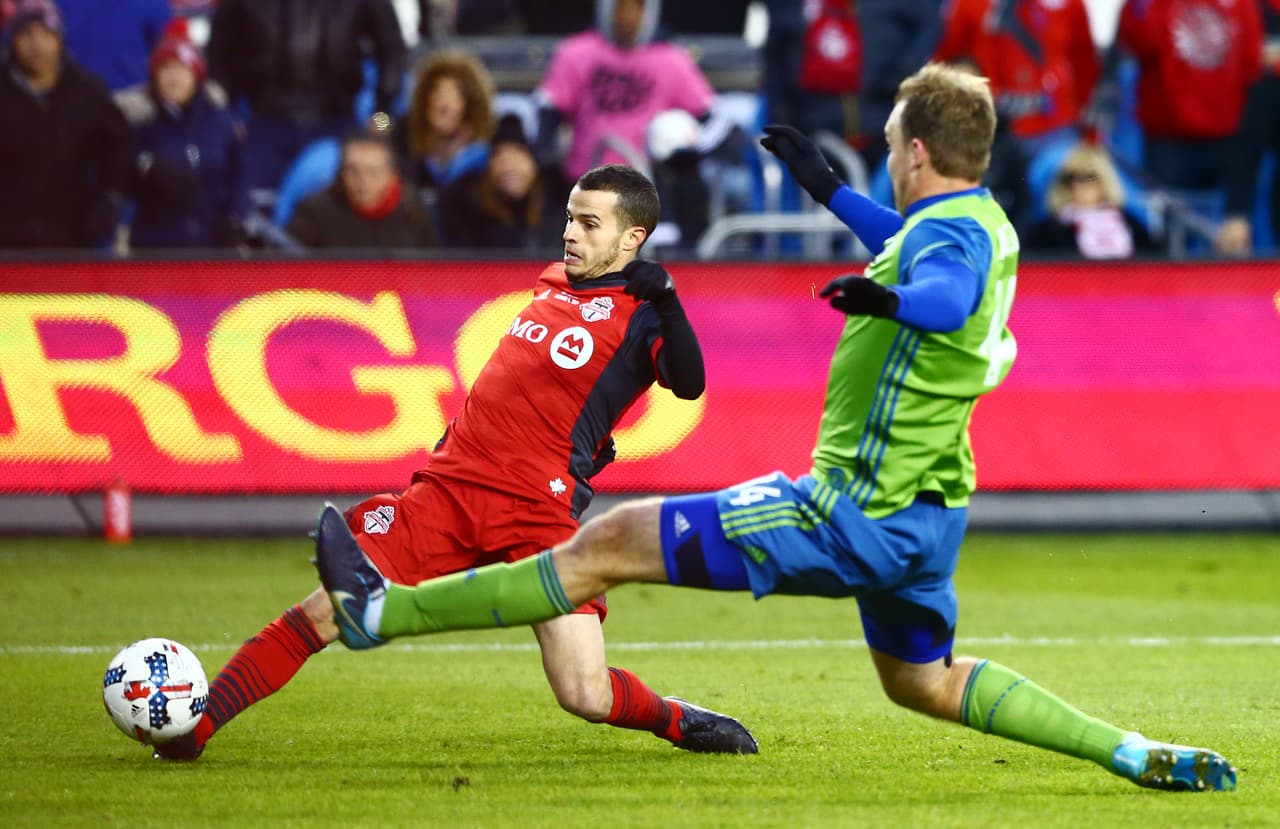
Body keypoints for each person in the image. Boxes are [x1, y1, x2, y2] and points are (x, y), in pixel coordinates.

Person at [314, 64, 1238, 794]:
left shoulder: (944, 252)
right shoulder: (982, 219)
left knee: (607, 542)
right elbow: (914, 242)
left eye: (887, 145)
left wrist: (891, 302)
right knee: (924, 680)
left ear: (916, 150)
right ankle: (1125, 749)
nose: (885, 158)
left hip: (851, 509)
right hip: (929, 515)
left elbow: (945, 293)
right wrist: (827, 189)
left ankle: (381, 610)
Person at [156, 164, 756, 760]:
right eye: (570, 217)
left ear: (632, 238)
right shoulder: (552, 281)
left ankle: (677, 720)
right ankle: (195, 730)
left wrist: (667, 302)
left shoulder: (643, 314)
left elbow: (690, 383)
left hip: (536, 512)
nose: (570, 233)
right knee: (325, 611)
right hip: (449, 491)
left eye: (589, 223)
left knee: (584, 693)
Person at [205, 0, 407, 191]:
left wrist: (382, 120)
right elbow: (218, 53)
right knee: (257, 202)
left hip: (336, 120)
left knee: (341, 201)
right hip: (264, 123)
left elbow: (393, 51)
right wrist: (229, 119)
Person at [0, 0, 131, 248]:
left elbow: (118, 146)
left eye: (46, 34)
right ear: (13, 40)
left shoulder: (87, 90)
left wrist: (111, 196)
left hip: (70, 236)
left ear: (59, 39)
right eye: (27, 34)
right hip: (7, 239)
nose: (36, 44)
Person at [114, 20, 248, 249]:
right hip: (156, 246)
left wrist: (235, 217)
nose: (173, 78)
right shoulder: (141, 122)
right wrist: (150, 167)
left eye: (181, 69)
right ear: (155, 76)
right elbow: (123, 174)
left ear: (195, 74)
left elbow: (240, 175)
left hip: (211, 244)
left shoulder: (221, 121)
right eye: (166, 69)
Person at [1116, 0, 1263, 192]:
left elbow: (1251, 63)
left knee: (1214, 208)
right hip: (1169, 133)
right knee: (1166, 205)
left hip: (1223, 131)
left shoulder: (1241, 4)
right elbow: (1140, 42)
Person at [933, 0, 1099, 156]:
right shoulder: (970, 5)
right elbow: (947, 63)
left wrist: (1090, 133)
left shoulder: (1067, 5)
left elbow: (1085, 65)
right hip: (989, 127)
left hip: (1053, 128)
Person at [287, 130, 438, 249]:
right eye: (353, 171)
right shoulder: (313, 212)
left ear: (392, 176)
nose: (363, 181)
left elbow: (432, 268)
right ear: (341, 173)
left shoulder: (413, 211)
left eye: (373, 172)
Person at [437, 113, 565, 252]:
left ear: (533, 164)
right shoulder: (467, 212)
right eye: (499, 157)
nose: (509, 166)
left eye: (517, 154)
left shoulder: (558, 202)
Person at [1024, 141, 1156, 258]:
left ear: (1105, 181)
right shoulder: (1048, 232)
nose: (1078, 185)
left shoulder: (1130, 224)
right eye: (1071, 177)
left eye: (1089, 177)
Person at [398, 49, 496, 191]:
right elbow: (380, 123)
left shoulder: (486, 158)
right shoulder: (405, 140)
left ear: (470, 104)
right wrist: (380, 119)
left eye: (454, 96)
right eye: (437, 94)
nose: (444, 105)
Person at [58, 0, 171, 91]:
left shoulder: (153, 4)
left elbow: (165, 53)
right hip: (75, 94)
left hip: (131, 95)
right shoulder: (62, 4)